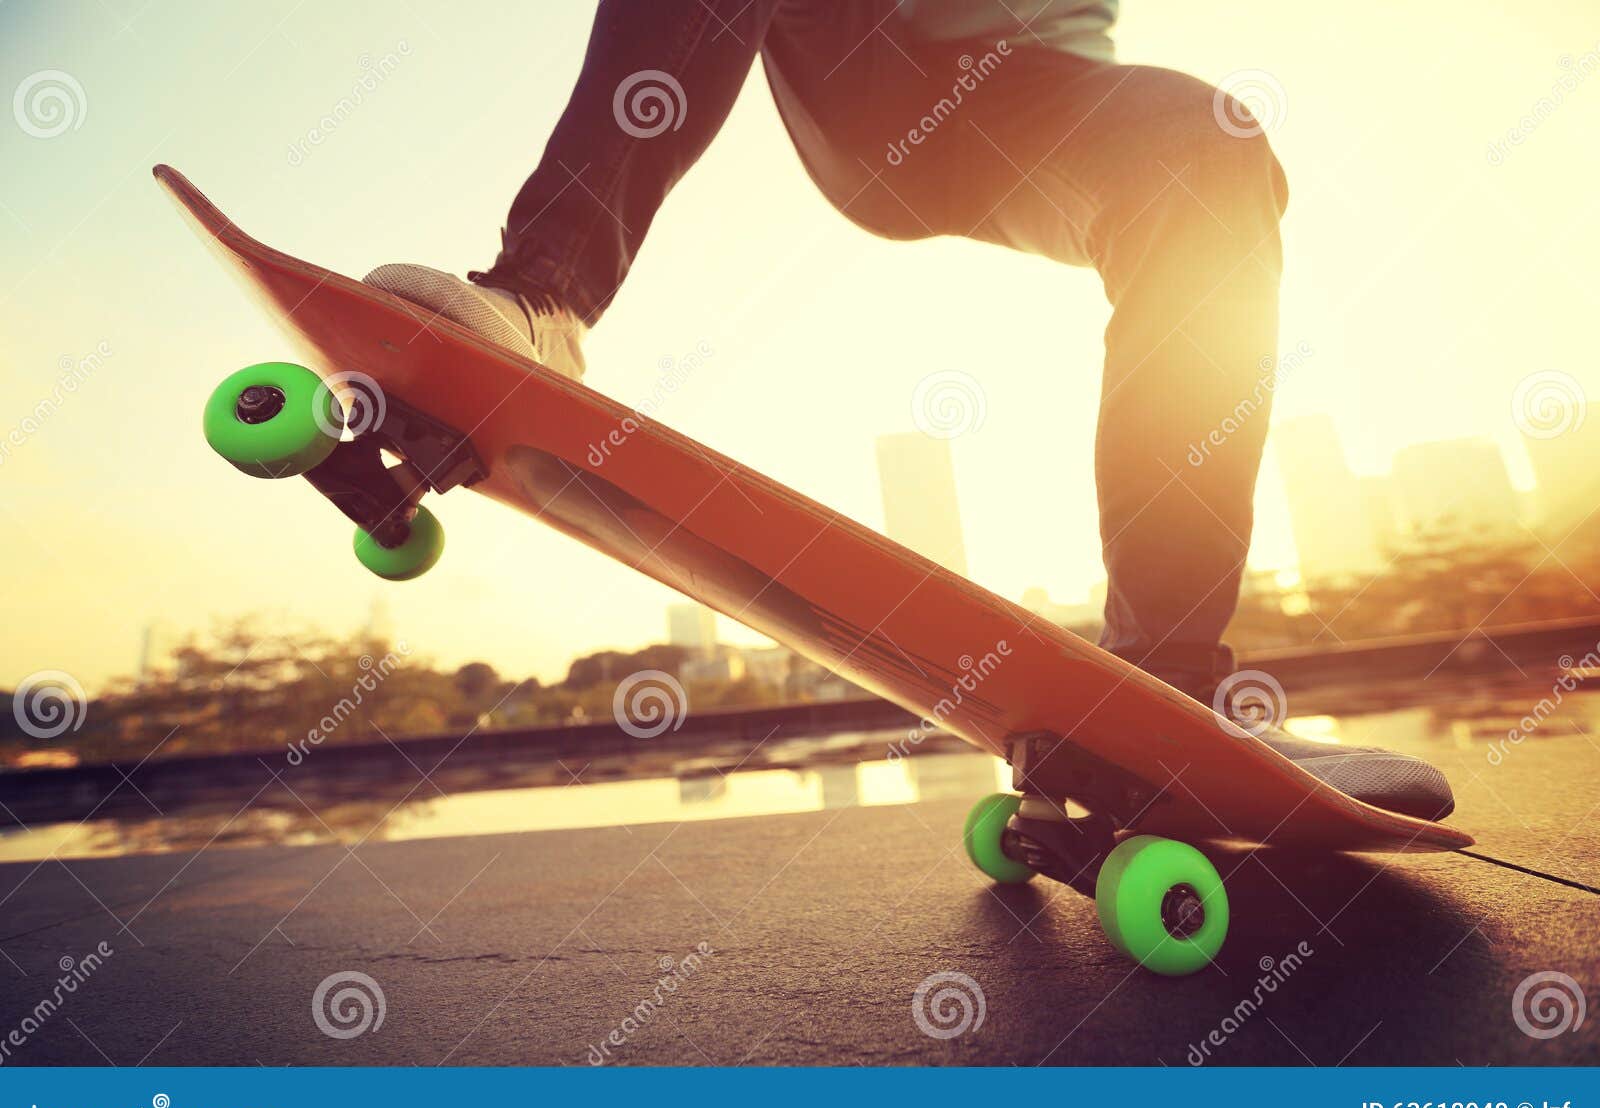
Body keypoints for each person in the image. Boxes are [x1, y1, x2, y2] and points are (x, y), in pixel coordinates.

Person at [364, 0, 1453, 819]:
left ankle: (1164, 701)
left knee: (1206, 149)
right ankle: (544, 295)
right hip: (870, 70)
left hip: (1037, 94)